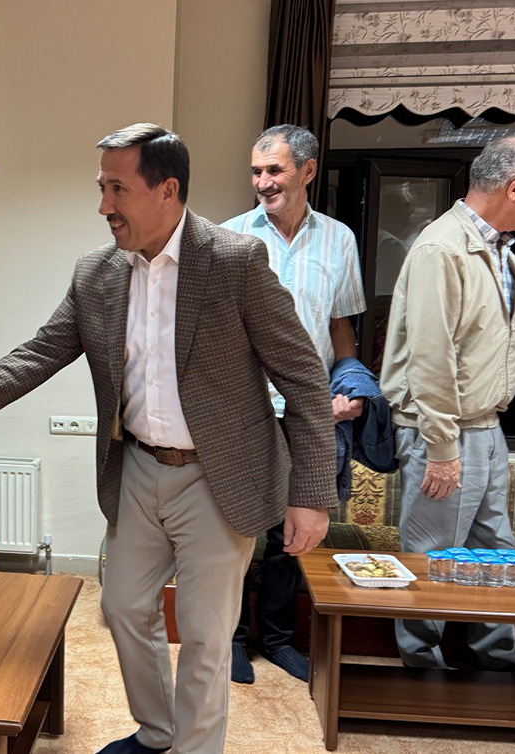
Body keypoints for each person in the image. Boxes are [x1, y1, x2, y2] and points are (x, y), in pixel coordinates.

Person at [0, 123, 335, 754]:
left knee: (207, 635)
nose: (103, 205)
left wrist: (310, 493)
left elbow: (304, 377)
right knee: (124, 609)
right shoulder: (97, 272)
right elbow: (38, 354)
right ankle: (157, 733)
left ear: (167, 190)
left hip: (221, 476)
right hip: (137, 467)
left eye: (117, 189)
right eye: (101, 187)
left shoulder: (234, 262)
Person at [380, 133, 515, 671]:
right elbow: (431, 356)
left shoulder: (499, 250)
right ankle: (420, 669)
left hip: (485, 426)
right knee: (432, 557)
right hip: (445, 431)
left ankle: (498, 664)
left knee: (497, 554)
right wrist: (442, 448)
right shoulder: (442, 248)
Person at [219, 124, 366, 684]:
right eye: (256, 172)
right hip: (245, 412)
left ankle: (277, 639)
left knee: (293, 536)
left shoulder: (339, 240)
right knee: (236, 530)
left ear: (307, 171)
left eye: (274, 170)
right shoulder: (229, 237)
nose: (263, 182)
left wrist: (348, 385)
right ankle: (232, 639)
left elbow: (340, 325)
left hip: (309, 413)